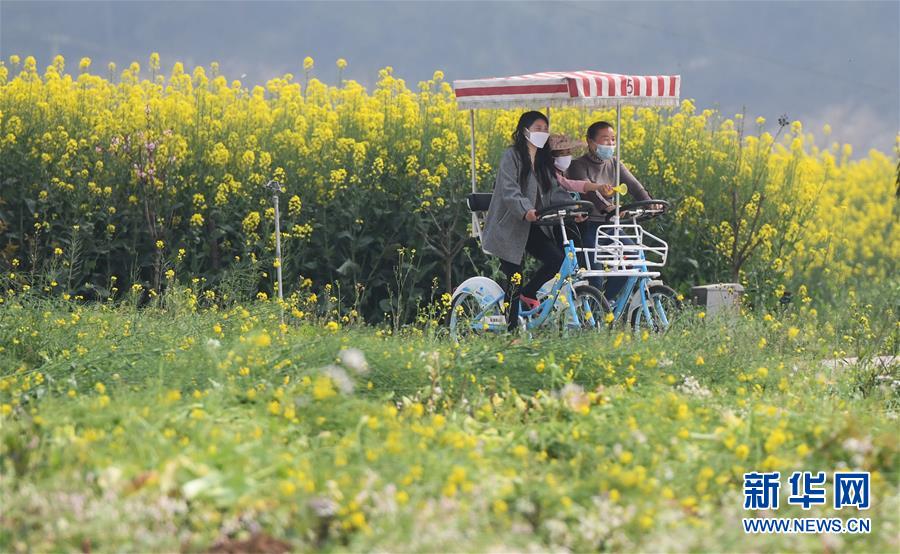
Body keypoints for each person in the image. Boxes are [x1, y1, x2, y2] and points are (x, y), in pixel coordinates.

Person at [481, 111, 575, 331]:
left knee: (557, 260)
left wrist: (573, 210)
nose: (543, 132)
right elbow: (509, 190)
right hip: (508, 226)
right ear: (525, 131)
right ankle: (511, 331)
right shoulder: (512, 156)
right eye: (538, 128)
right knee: (515, 277)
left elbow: (554, 190)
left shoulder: (542, 160)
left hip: (531, 226)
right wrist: (526, 210)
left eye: (546, 129)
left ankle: (529, 292)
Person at [567, 121, 654, 303]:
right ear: (590, 142)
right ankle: (596, 306)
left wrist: (650, 202)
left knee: (633, 259)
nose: (610, 144)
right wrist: (607, 207)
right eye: (605, 139)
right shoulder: (578, 165)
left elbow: (634, 186)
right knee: (595, 275)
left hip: (609, 225)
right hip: (588, 226)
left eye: (613, 139)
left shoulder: (614, 163)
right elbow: (590, 192)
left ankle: (604, 305)